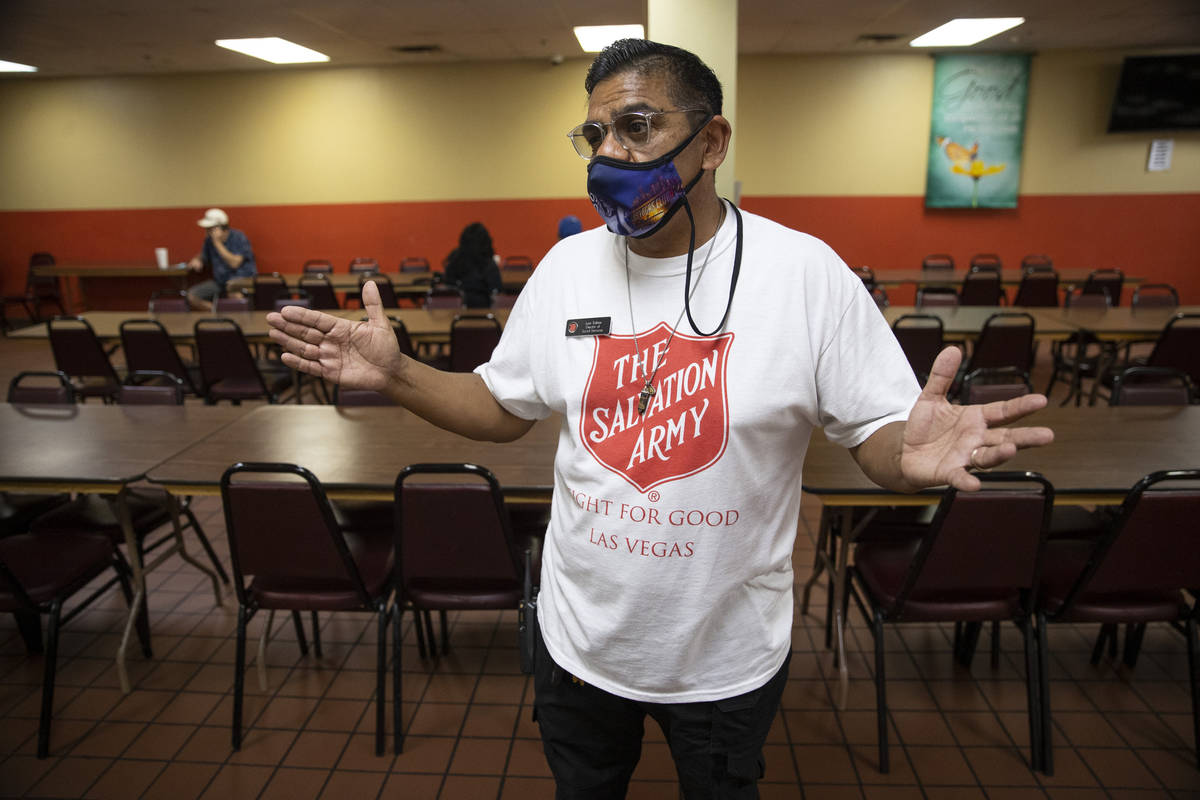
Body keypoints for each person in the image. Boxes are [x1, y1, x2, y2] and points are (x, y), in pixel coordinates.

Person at [267, 39, 1053, 799]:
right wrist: (399, 373)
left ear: (711, 141)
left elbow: (875, 434)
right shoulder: (568, 270)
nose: (610, 154)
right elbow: (503, 407)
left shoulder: (803, 273)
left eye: (638, 127)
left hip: (725, 653)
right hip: (578, 641)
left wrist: (902, 452)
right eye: (595, 134)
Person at [186, 208, 256, 311]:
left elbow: (235, 263)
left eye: (210, 229)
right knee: (191, 295)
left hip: (241, 280)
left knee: (234, 292)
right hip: (220, 281)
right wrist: (197, 259)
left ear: (221, 228)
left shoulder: (238, 237)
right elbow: (203, 255)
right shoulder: (209, 241)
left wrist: (217, 242)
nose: (207, 232)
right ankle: (219, 313)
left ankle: (239, 322)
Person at [442, 221, 503, 308]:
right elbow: (497, 288)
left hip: (457, 311)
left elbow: (448, 283)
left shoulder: (455, 260)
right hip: (486, 313)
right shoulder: (489, 264)